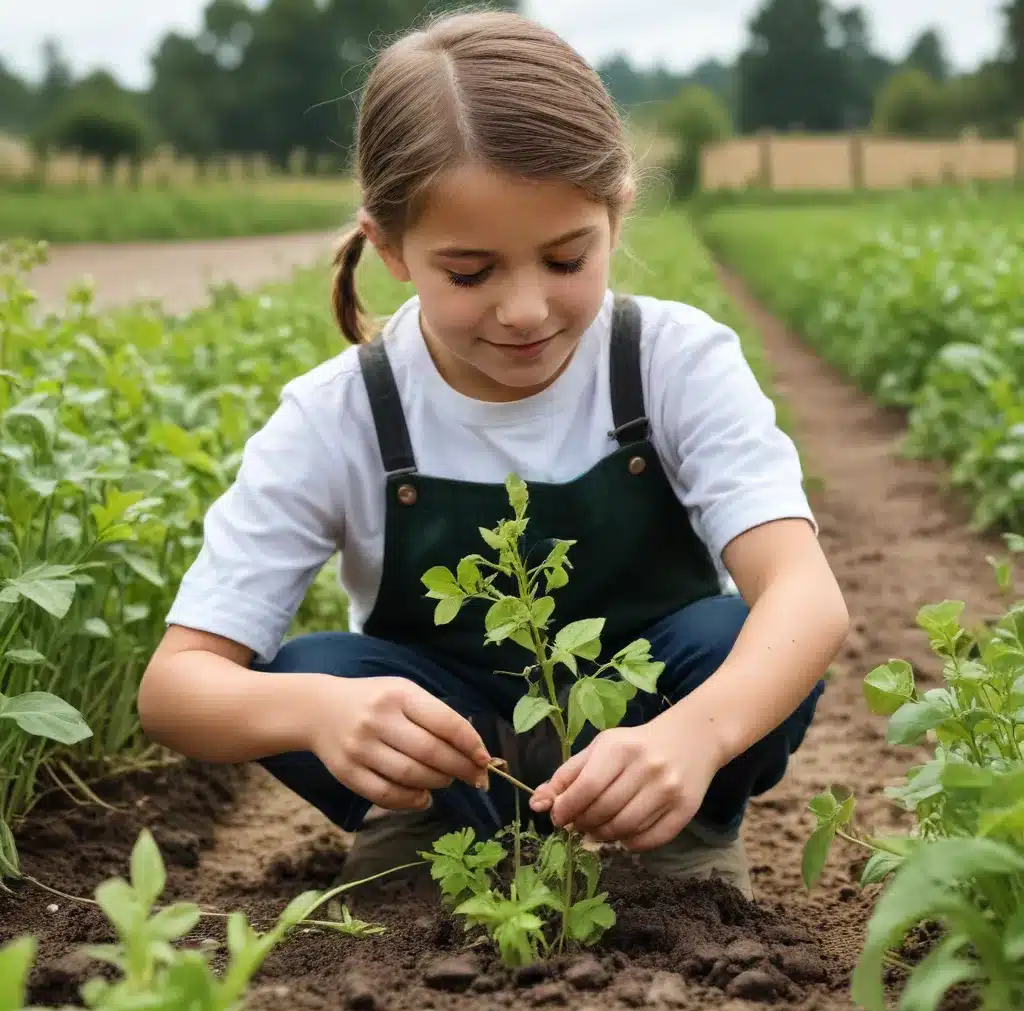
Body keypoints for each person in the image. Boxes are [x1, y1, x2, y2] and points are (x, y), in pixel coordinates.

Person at [137, 9, 849, 901]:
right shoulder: (340, 412)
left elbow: (807, 597)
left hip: (647, 731)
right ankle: (424, 827)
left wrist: (695, 737)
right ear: (391, 248)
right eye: (471, 273)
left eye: (565, 259)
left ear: (616, 215)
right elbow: (174, 689)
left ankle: (690, 833)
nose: (524, 310)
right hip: (452, 751)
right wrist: (318, 712)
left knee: (734, 635)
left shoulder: (671, 362)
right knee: (316, 670)